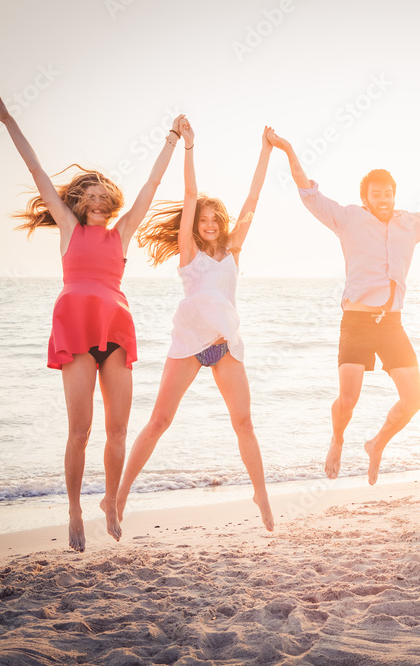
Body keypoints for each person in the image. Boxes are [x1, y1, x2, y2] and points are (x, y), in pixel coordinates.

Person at [0, 91, 182, 551]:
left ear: (110, 200)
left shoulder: (121, 232)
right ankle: (73, 509)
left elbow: (150, 189)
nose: (97, 199)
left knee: (117, 431)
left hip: (115, 329)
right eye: (88, 194)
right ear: (78, 200)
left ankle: (109, 501)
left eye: (102, 194)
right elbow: (36, 173)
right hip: (75, 329)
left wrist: (171, 139)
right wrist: (9, 120)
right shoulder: (69, 229)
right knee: (81, 432)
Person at [269, 129, 420, 485]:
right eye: (376, 194)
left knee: (414, 400)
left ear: (395, 195)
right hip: (356, 323)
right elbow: (308, 192)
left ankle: (376, 444)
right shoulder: (347, 218)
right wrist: (287, 149)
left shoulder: (410, 223)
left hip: (392, 324)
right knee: (348, 400)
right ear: (365, 198)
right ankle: (337, 439)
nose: (383, 198)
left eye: (388, 193)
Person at [116, 119, 274, 531]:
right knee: (159, 421)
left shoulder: (234, 250)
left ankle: (262, 495)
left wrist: (266, 151)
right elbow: (189, 195)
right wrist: (189, 147)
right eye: (202, 219)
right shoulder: (188, 254)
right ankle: (118, 497)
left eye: (213, 220)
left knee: (244, 422)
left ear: (221, 223)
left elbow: (253, 197)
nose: (208, 224)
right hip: (189, 343)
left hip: (226, 344)